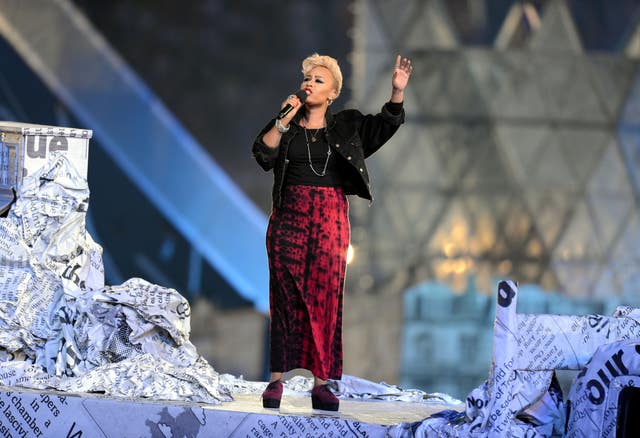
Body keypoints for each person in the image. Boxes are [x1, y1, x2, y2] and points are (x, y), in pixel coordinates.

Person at [252, 53, 412, 411]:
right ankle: (276, 381)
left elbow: (385, 125)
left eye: (318, 80)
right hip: (288, 218)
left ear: (333, 93)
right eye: (307, 78)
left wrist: (397, 92)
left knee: (325, 301)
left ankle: (321, 384)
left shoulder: (347, 126)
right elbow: (263, 155)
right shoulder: (287, 125)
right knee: (284, 299)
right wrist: (281, 121)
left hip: (329, 219)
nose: (309, 83)